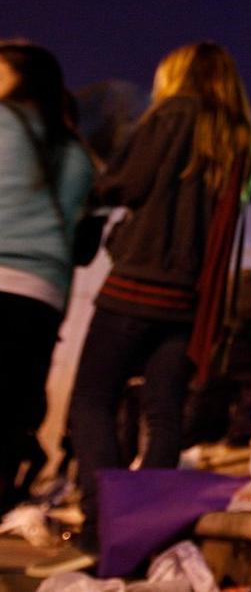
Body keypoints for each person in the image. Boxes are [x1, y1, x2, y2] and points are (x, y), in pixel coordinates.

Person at [63, 42, 251, 572]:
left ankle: (103, 522)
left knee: (91, 401)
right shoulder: (234, 139)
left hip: (138, 283)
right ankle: (143, 531)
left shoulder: (173, 115)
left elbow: (126, 182)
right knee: (162, 413)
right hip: (186, 301)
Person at [0, 43, 93, 514]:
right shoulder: (75, 152)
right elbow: (79, 238)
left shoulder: (3, 124)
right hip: (42, 299)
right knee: (9, 421)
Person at [182, 269, 251, 448]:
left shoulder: (231, 280)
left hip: (211, 352)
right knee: (250, 400)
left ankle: (187, 451)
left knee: (202, 409)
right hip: (244, 355)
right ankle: (236, 444)